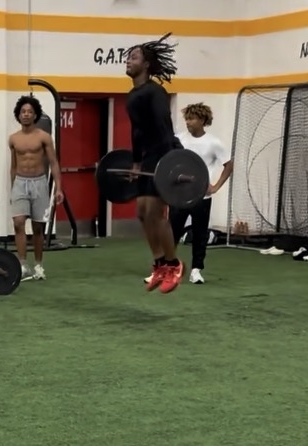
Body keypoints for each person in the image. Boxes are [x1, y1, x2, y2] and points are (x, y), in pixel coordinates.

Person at [143, 102, 232, 285]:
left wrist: (215, 187)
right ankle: (164, 270)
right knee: (171, 234)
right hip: (178, 195)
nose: (188, 122)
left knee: (200, 234)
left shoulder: (214, 143)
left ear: (203, 120)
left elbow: (229, 165)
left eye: (192, 119)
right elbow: (167, 162)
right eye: (187, 119)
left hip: (201, 196)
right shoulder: (178, 140)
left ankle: (196, 271)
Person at [124, 32, 185, 294]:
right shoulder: (132, 95)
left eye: (134, 57)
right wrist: (137, 162)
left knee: (156, 213)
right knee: (141, 212)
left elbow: (164, 126)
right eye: (128, 57)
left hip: (164, 154)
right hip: (148, 156)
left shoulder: (155, 92)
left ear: (146, 64)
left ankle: (173, 264)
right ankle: (159, 263)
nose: (128, 61)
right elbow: (136, 131)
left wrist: (169, 162)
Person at [8, 95, 64, 280]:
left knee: (38, 228)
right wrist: (13, 188)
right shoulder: (13, 139)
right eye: (23, 111)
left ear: (35, 115)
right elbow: (13, 166)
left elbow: (54, 163)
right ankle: (23, 265)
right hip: (20, 183)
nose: (26, 114)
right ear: (18, 115)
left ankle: (38, 266)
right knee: (18, 223)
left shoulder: (44, 137)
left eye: (29, 112)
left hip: (39, 182)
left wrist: (58, 188)